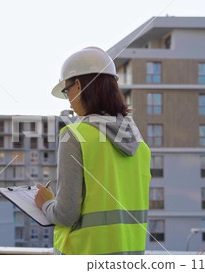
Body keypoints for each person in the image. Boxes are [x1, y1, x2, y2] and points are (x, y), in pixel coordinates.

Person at [34, 47, 151, 255]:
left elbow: (65, 215)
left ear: (77, 85)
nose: (69, 101)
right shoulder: (140, 146)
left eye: (66, 91)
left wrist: (46, 203)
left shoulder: (74, 136)